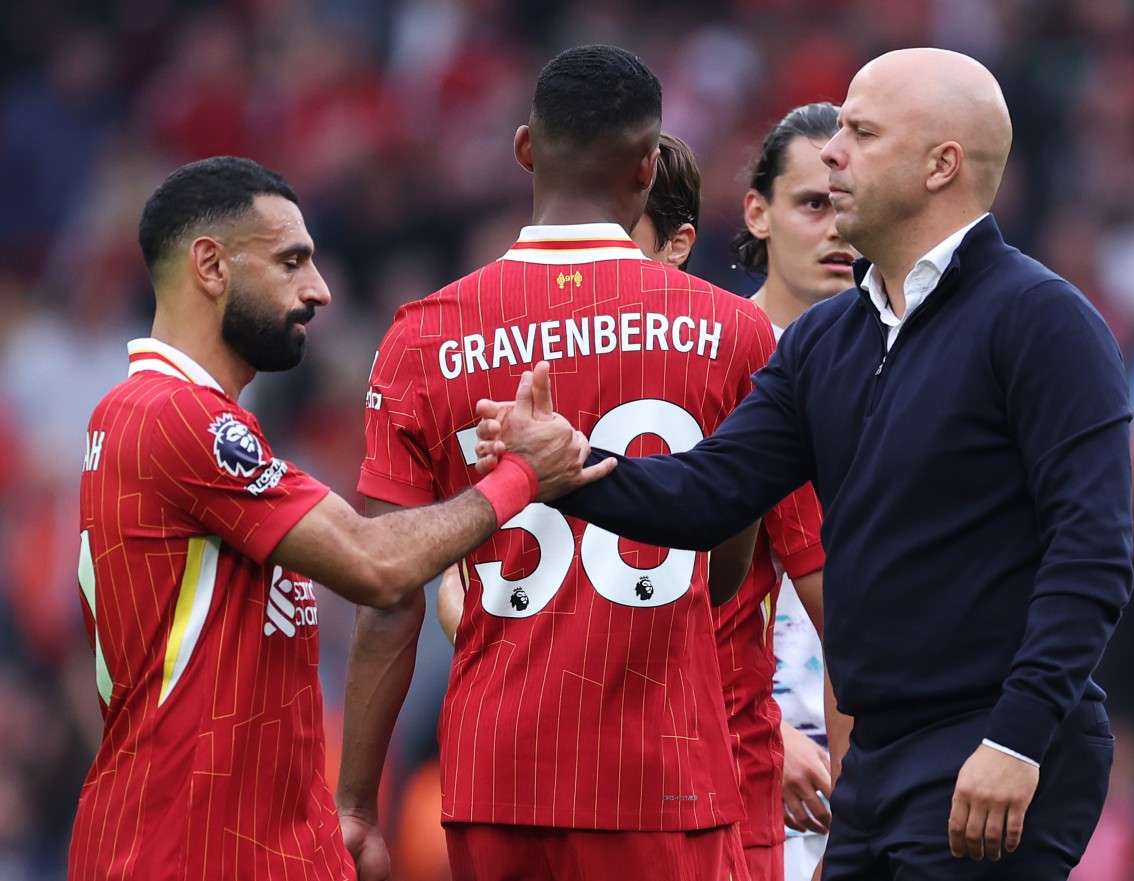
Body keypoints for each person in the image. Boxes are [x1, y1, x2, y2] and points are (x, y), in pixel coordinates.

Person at [478, 48, 1133, 880]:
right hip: (878, 759)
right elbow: (708, 493)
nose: (832, 151)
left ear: (942, 166)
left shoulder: (1042, 319)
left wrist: (1018, 736)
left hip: (993, 742)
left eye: (859, 133)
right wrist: (567, 463)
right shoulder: (828, 339)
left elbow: (1094, 551)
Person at [68, 155, 600, 881]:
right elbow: (375, 566)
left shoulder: (170, 418)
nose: (318, 289)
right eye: (291, 262)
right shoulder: (172, 415)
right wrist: (524, 476)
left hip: (253, 844)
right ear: (210, 266)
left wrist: (322, 832)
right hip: (186, 849)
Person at [336, 45, 776, 881]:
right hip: (663, 776)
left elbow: (387, 587)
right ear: (650, 166)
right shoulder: (735, 334)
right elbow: (723, 576)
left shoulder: (421, 335)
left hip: (494, 773)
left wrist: (357, 801)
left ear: (524, 149)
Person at [435, 130, 703, 643]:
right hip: (520, 665)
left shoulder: (726, 362)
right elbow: (454, 464)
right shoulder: (501, 361)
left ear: (677, 248)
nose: (583, 259)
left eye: (616, 237)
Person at [726, 102, 857, 881]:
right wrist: (762, 729)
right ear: (758, 212)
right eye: (812, 204)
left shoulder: (909, 376)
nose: (836, 230)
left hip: (873, 772)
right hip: (727, 763)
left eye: (845, 205)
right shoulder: (699, 369)